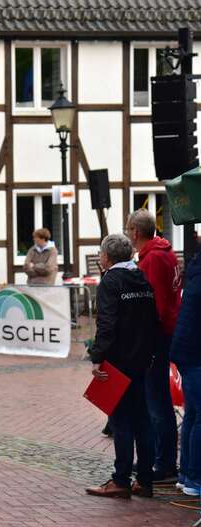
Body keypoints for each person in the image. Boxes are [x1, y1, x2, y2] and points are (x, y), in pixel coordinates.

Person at [86, 233, 158, 499]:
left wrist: (97, 356)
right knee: (143, 421)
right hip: (142, 360)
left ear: (107, 256)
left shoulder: (111, 281)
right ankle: (145, 480)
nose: (100, 257)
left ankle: (121, 480)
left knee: (122, 422)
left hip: (118, 361)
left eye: (101, 253)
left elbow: (106, 323)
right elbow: (152, 319)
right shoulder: (141, 277)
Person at [126, 209, 181, 481]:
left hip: (156, 337)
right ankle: (161, 458)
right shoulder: (164, 253)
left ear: (136, 232)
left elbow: (153, 304)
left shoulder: (153, 259)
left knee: (156, 401)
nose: (128, 236)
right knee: (157, 398)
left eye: (128, 231)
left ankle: (164, 462)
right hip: (164, 333)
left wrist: (142, 338)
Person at [170, 248, 201, 497]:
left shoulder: (196, 271)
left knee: (192, 413)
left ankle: (186, 475)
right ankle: (195, 477)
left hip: (187, 349)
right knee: (199, 415)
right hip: (194, 351)